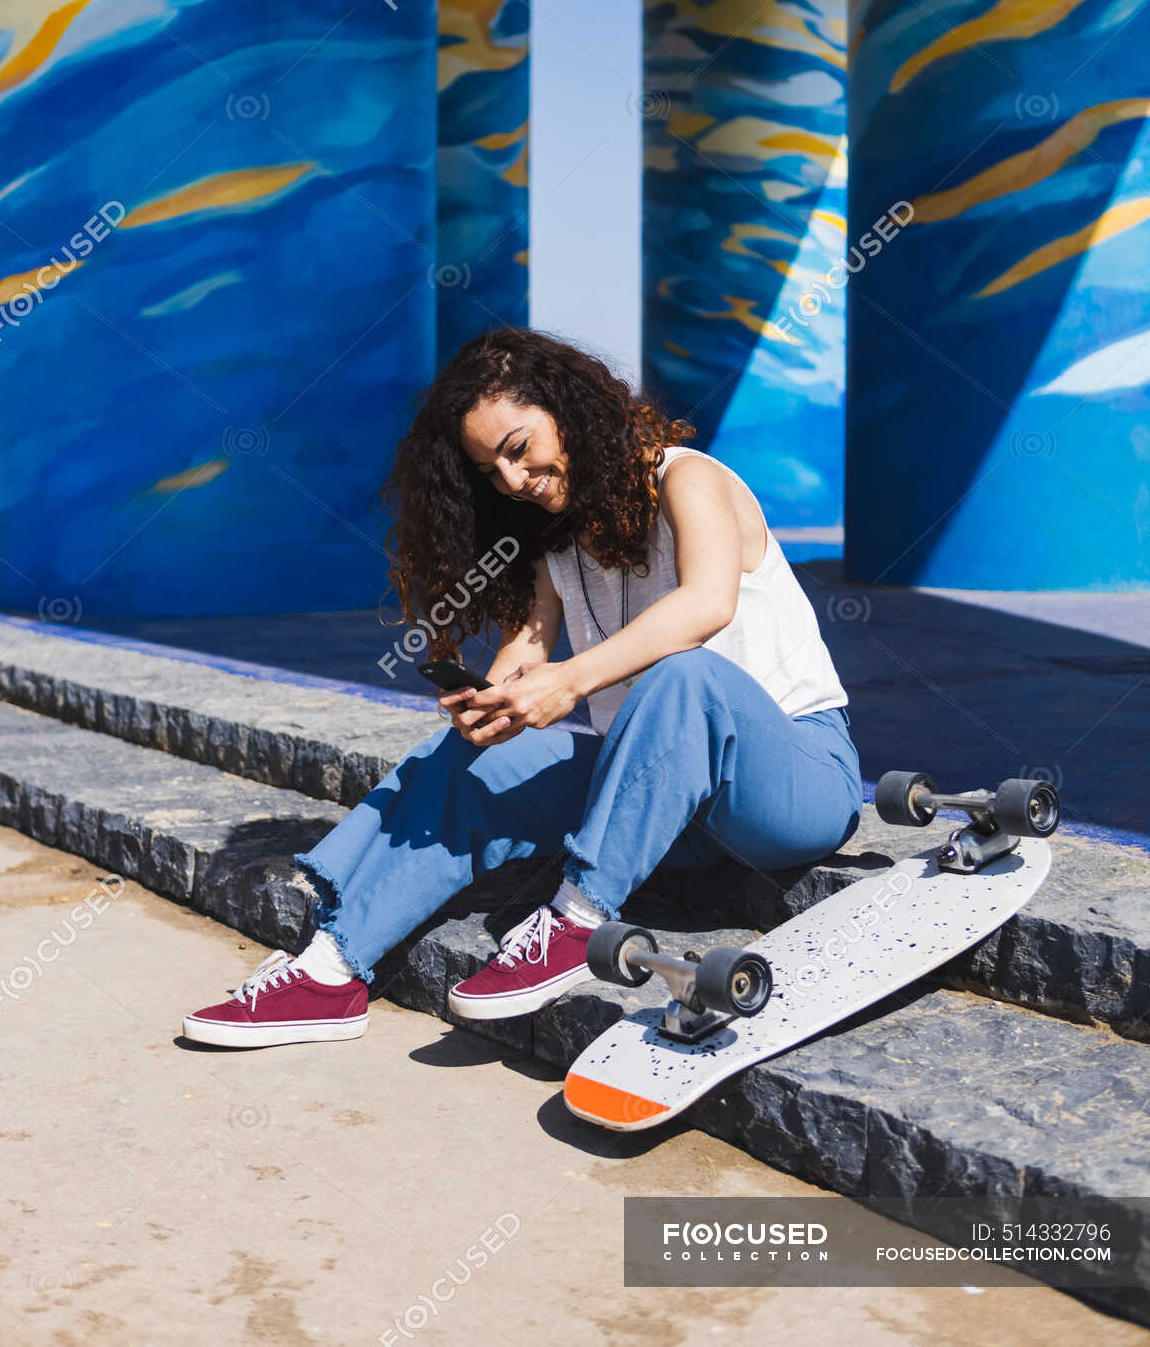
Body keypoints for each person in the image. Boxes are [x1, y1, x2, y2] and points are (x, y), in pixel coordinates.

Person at [183, 327, 860, 1047]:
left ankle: (575, 922)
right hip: (658, 795)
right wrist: (493, 702)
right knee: (472, 758)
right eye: (490, 471)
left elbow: (705, 605)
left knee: (684, 673)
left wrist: (569, 682)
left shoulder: (686, 478)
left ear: (571, 411)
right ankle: (329, 970)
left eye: (517, 449)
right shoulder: (558, 539)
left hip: (790, 789)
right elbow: (527, 651)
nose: (510, 481)